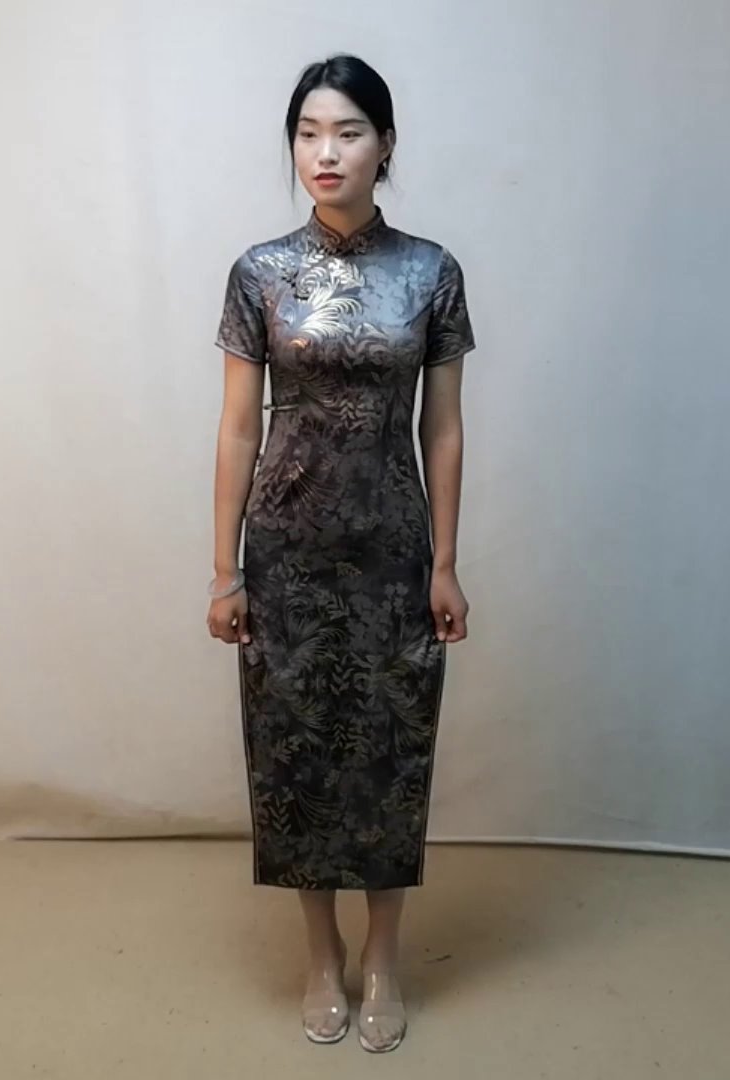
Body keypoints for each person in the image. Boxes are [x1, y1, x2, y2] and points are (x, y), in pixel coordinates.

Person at [205, 53, 475, 1053]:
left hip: (394, 549)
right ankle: (321, 957)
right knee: (296, 753)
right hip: (287, 548)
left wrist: (444, 561)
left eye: (349, 132)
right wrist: (225, 568)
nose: (326, 152)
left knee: (392, 753)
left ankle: (385, 958)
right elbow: (238, 427)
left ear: (385, 145)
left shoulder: (431, 271)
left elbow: (443, 428)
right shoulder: (259, 273)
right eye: (309, 133)